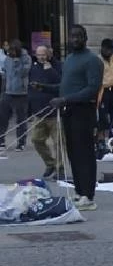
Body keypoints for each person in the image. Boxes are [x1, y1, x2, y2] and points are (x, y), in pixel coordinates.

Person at [51, 26, 103, 211]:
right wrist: (44, 88)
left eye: (79, 36)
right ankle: (80, 192)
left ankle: (89, 196)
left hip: (83, 112)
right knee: (73, 153)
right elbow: (66, 86)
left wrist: (65, 99)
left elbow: (91, 89)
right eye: (72, 36)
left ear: (86, 38)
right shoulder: (69, 60)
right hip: (68, 111)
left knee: (84, 154)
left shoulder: (92, 61)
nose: (75, 39)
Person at [27, 45, 63, 179]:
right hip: (39, 111)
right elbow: (30, 87)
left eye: (43, 54)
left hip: (54, 112)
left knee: (58, 142)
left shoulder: (58, 66)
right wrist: (30, 108)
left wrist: (50, 71)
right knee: (36, 140)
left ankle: (60, 169)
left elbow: (61, 84)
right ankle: (50, 163)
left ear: (49, 54)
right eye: (38, 54)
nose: (41, 57)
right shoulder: (34, 67)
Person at [0, 39, 32, 151]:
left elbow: (23, 72)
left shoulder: (26, 58)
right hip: (8, 91)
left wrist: (17, 61)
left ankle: (21, 143)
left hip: (21, 93)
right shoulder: (8, 58)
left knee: (21, 119)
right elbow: (5, 71)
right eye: (10, 51)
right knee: (3, 117)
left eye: (13, 51)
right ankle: (1, 141)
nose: (11, 53)